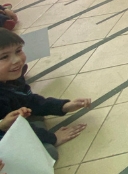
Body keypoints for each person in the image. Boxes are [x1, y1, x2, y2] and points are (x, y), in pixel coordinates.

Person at [0, 29, 90, 162]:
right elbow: (15, 130)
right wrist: (53, 138)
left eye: (18, 51)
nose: (17, 60)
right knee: (49, 153)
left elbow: (30, 100)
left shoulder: (13, 79)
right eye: (3, 57)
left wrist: (64, 106)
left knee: (31, 114)